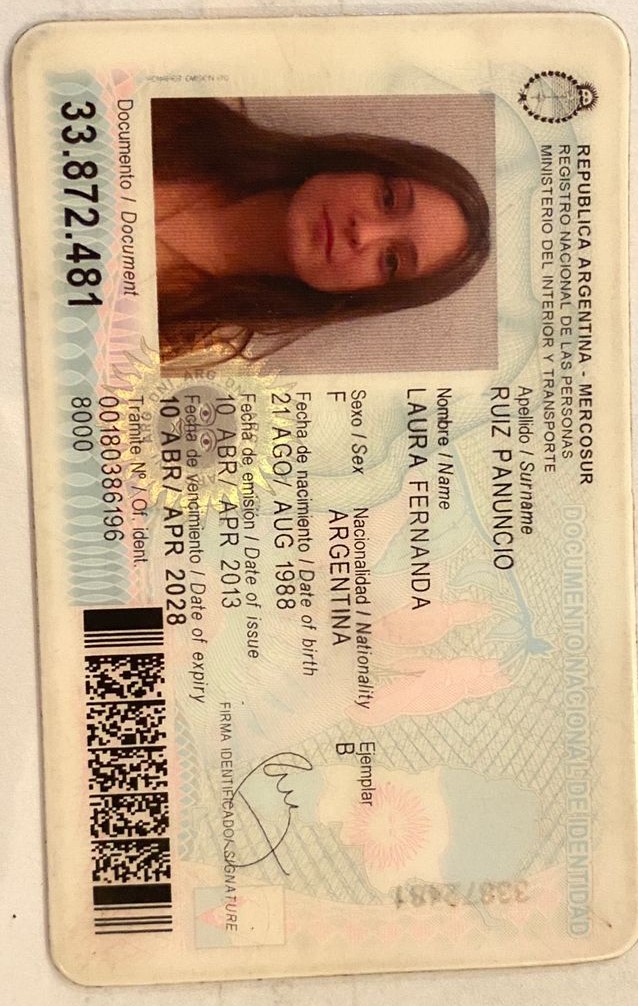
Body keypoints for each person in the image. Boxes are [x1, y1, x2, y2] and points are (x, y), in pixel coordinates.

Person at [151, 98, 490, 365]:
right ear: (359, 165)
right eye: (387, 199)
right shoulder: (184, 113)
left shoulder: (189, 349)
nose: (364, 232)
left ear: (368, 294)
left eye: (390, 261)